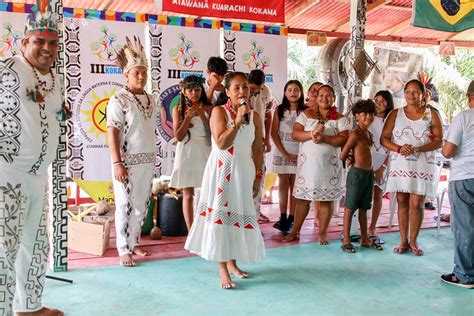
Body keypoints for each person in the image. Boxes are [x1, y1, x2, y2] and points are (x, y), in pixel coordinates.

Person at [0, 4, 64, 315]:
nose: (47, 48)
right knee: (3, 249)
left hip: (40, 177)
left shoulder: (56, 80)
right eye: (39, 41)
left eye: (52, 43)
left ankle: (29, 307)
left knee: (37, 246)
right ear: (24, 43)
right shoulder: (7, 69)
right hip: (7, 174)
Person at [185, 72, 265, 289]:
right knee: (221, 215)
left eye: (245, 87)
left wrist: (258, 176)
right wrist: (237, 123)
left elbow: (257, 148)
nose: (242, 92)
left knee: (237, 213)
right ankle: (222, 269)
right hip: (222, 169)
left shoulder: (255, 116)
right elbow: (221, 143)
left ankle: (233, 262)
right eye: (236, 88)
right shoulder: (218, 112)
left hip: (244, 170)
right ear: (227, 92)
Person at [107, 37, 157, 267]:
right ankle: (123, 249)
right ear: (126, 75)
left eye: (143, 72)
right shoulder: (118, 99)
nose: (140, 76)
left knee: (141, 204)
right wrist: (117, 162)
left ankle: (134, 240)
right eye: (136, 73)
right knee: (124, 204)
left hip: (147, 160)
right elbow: (113, 132)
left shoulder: (151, 99)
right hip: (126, 162)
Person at [381, 79, 443, 256]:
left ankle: (414, 240)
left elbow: (439, 141)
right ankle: (403, 241)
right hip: (400, 162)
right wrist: (399, 148)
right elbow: (384, 138)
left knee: (416, 203)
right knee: (401, 200)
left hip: (422, 164)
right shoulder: (396, 114)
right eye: (408, 91)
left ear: (423, 94)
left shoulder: (430, 114)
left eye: (415, 92)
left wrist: (418, 148)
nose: (411, 95)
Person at [284, 85, 350, 244]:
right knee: (302, 200)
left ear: (334, 98)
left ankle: (322, 233)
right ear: (316, 96)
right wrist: (311, 134)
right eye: (321, 95)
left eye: (328, 95)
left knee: (326, 200)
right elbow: (296, 134)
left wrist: (324, 138)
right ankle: (295, 231)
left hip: (329, 167)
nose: (324, 98)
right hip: (308, 167)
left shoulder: (340, 118)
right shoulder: (306, 114)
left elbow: (343, 139)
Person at [440, 80, 474, 288]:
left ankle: (464, 275)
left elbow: (448, 151)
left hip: (464, 176)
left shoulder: (464, 117)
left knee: (464, 226)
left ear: (469, 96)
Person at [340, 99, 383, 253]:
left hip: (368, 174)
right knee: (350, 207)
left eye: (371, 114)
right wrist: (351, 158)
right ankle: (346, 240)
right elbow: (342, 155)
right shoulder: (355, 134)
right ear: (357, 116)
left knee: (364, 207)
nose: (368, 117)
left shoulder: (369, 134)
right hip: (357, 174)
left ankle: (364, 238)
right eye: (364, 114)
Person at [169, 75, 212, 230]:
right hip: (186, 152)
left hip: (206, 150)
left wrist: (201, 115)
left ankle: (206, 228)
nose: (194, 93)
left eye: (197, 90)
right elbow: (179, 137)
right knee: (188, 194)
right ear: (184, 91)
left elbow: (212, 134)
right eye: (190, 90)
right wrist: (187, 119)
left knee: (207, 192)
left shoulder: (209, 108)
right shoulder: (178, 110)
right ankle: (191, 231)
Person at [271, 80, 305, 234]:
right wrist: (284, 153)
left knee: (295, 186)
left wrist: (299, 154)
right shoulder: (279, 110)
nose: (293, 92)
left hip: (299, 152)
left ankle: (292, 218)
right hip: (282, 150)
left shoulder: (306, 111)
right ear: (285, 93)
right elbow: (274, 133)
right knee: (283, 184)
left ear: (301, 92)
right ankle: (282, 217)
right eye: (289, 89)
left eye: (296, 89)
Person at [248, 69, 274, 224]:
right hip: (244, 138)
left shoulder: (266, 92)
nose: (255, 91)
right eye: (252, 89)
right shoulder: (242, 90)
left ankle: (255, 218)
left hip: (260, 138)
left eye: (258, 89)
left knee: (259, 175)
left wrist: (268, 139)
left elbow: (269, 114)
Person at [367, 90, 394, 242]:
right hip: (367, 159)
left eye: (383, 101)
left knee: (378, 194)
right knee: (365, 195)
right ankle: (362, 225)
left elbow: (393, 146)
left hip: (384, 160)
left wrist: (383, 166)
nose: (379, 103)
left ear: (388, 103)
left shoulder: (393, 121)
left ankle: (372, 226)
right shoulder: (368, 119)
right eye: (376, 100)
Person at [305, 82, 323, 226]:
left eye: (319, 92)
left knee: (318, 185)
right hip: (303, 152)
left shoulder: (329, 113)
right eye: (313, 90)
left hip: (320, 154)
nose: (316, 94)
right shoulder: (303, 111)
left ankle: (317, 217)